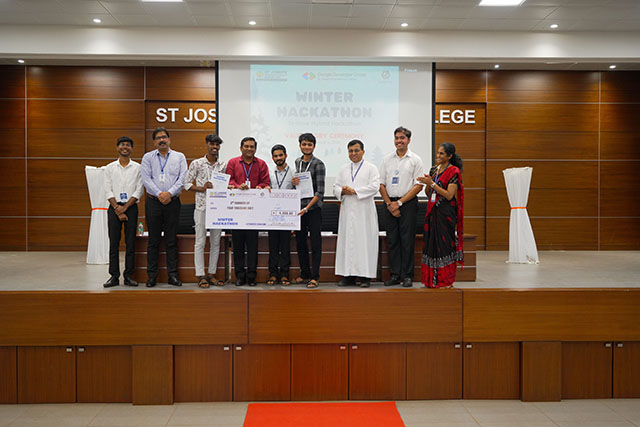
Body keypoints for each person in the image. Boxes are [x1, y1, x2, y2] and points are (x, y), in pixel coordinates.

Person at [140, 127, 187, 288]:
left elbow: (182, 178)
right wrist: (160, 194)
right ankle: (152, 276)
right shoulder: (148, 157)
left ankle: (172, 275)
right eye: (158, 138)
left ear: (169, 139)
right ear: (154, 142)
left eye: (164, 137)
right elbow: (146, 179)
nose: (162, 140)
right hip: (153, 202)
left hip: (173, 202)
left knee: (171, 240)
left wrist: (169, 193)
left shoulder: (179, 157)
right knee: (153, 240)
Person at [379, 126, 424, 288]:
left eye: (402, 138)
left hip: (408, 204)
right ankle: (395, 275)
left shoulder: (415, 160)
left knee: (407, 241)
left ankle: (407, 276)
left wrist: (399, 203)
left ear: (408, 140)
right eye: (397, 138)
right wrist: (390, 204)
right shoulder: (387, 159)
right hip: (389, 204)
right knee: (392, 241)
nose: (399, 141)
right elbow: (381, 184)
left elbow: (418, 186)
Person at [333, 140, 380, 288]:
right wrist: (342, 191)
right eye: (350, 151)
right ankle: (348, 276)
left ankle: (365, 277)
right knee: (347, 242)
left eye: (356, 150)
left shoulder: (371, 168)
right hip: (347, 211)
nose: (353, 153)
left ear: (363, 152)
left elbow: (375, 187)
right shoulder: (343, 169)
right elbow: (335, 187)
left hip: (364, 211)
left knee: (364, 243)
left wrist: (355, 191)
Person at [417, 142, 464, 289]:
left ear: (449, 156)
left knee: (444, 246)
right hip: (432, 212)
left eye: (441, 153)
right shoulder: (434, 169)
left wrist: (432, 184)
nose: (438, 155)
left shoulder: (453, 171)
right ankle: (431, 280)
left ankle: (445, 280)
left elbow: (449, 195)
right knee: (431, 245)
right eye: (438, 153)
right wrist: (427, 183)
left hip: (445, 214)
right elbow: (428, 193)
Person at [225, 137, 270, 286]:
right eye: (246, 146)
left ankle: (251, 276)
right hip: (236, 210)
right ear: (241, 148)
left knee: (252, 246)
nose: (249, 149)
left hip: (254, 212)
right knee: (237, 246)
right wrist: (238, 186)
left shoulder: (262, 164)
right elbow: (229, 180)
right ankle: (239, 276)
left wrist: (259, 188)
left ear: (255, 149)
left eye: (252, 147)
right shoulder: (232, 163)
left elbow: (265, 182)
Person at [184, 134, 227, 288]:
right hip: (201, 207)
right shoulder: (197, 163)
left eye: (217, 145)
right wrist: (202, 188)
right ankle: (201, 275)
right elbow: (186, 184)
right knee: (200, 242)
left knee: (216, 242)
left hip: (218, 208)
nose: (214, 147)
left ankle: (212, 274)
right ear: (207, 144)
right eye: (212, 144)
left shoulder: (223, 165)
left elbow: (227, 185)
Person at [103, 136, 144, 288]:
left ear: (131, 148)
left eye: (128, 145)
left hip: (131, 207)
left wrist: (125, 208)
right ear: (117, 147)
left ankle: (128, 276)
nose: (125, 147)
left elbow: (139, 190)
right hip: (114, 207)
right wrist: (117, 209)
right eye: (122, 144)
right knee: (113, 243)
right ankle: (114, 276)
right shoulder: (109, 168)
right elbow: (107, 189)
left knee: (130, 243)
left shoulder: (138, 168)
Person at [291, 133, 326, 289]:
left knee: (315, 243)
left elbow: (320, 192)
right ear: (300, 145)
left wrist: (307, 208)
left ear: (314, 146)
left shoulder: (319, 164)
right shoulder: (297, 162)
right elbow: (298, 187)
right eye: (304, 144)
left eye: (309, 144)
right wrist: (293, 183)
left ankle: (315, 276)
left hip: (313, 210)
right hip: (300, 210)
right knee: (300, 242)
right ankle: (304, 273)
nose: (306, 147)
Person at [267, 144, 295, 286]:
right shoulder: (269, 173)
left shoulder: (294, 173)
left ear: (286, 155)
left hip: (287, 215)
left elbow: (298, 191)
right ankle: (272, 274)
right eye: (276, 156)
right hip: (272, 214)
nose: (278, 158)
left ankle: (284, 274)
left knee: (285, 246)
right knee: (272, 246)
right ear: (272, 158)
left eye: (281, 155)